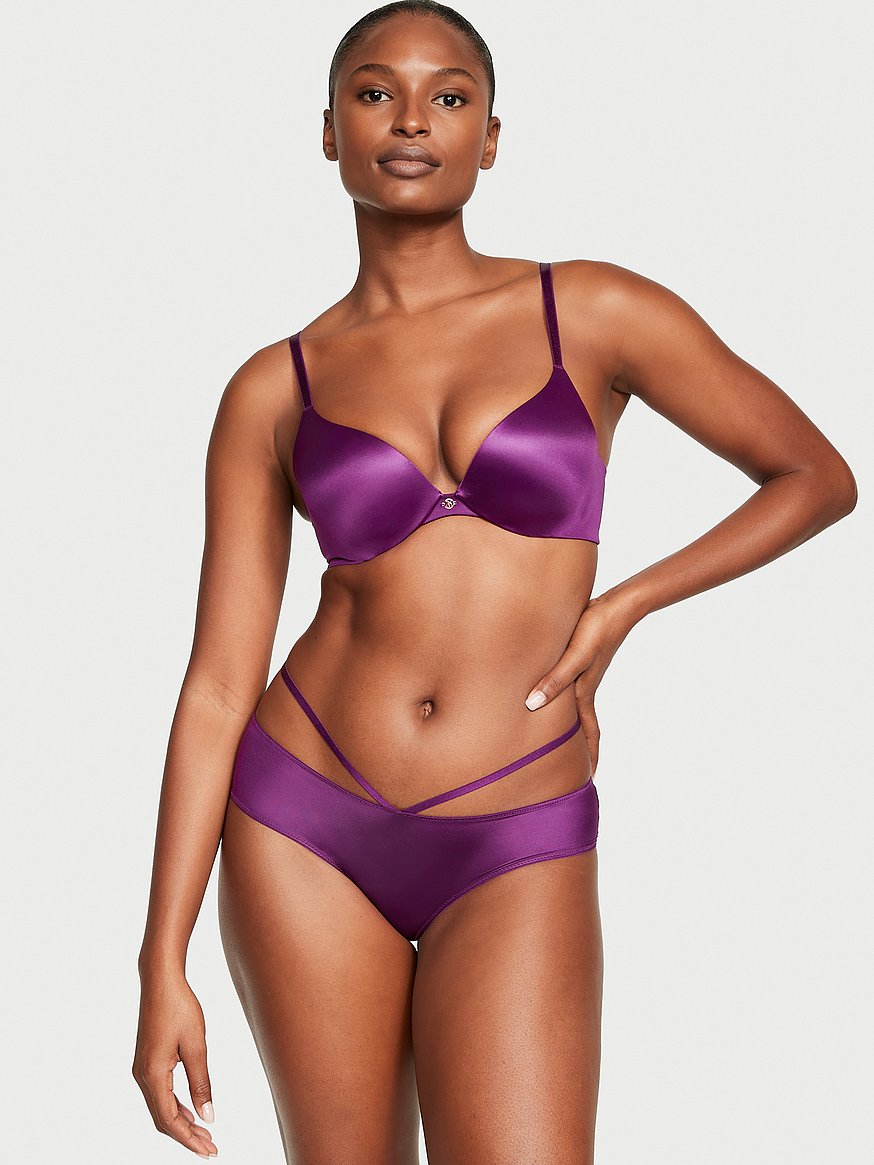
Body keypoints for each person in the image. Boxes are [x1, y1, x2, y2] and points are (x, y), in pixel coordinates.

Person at [131, 3, 858, 1162]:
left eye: (450, 95)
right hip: (303, 819)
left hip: (516, 820)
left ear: (491, 136)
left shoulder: (593, 310)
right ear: (328, 130)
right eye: (375, 92)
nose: (411, 119)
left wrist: (621, 608)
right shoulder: (273, 387)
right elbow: (219, 685)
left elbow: (814, 477)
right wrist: (159, 963)